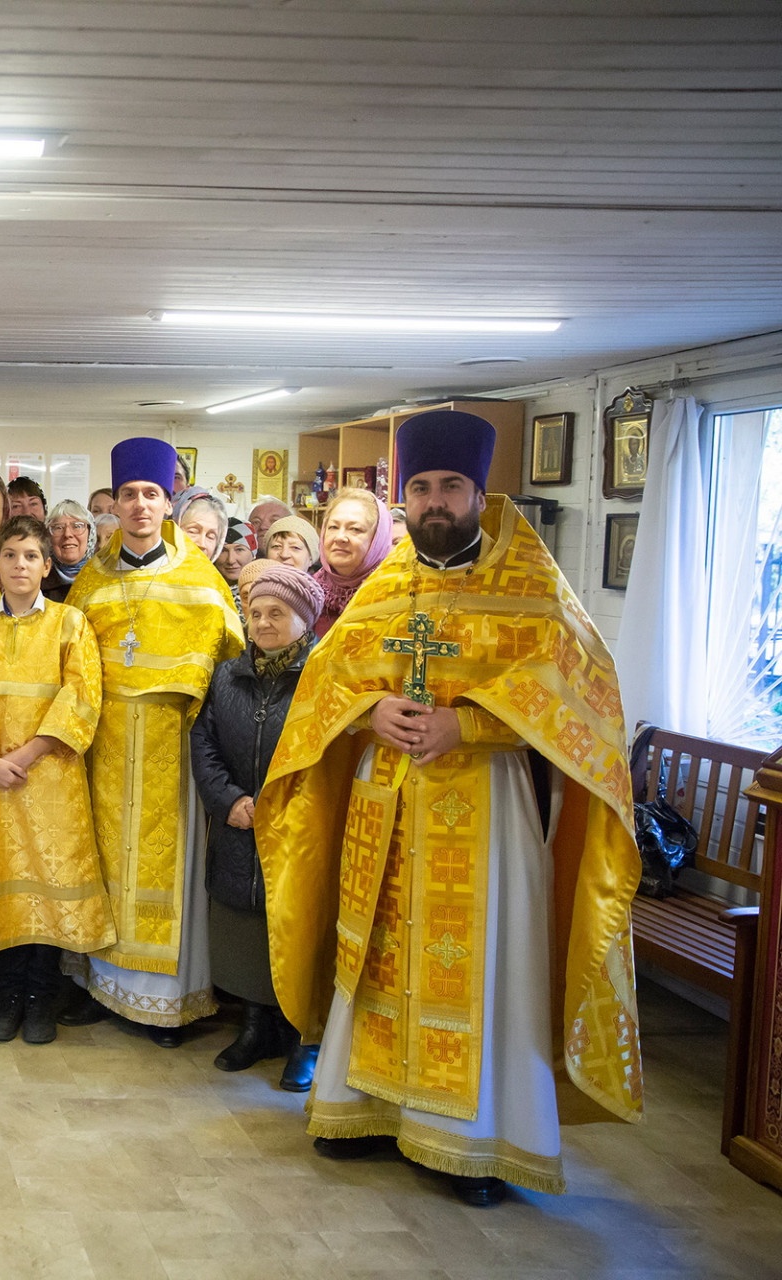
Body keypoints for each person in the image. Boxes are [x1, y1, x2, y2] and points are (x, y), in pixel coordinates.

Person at [257, 409, 642, 1207]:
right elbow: (330, 677)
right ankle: (365, 1110)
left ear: (479, 490)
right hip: (385, 806)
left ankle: (478, 1139)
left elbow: (585, 697)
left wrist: (468, 721)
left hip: (486, 808)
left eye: (451, 488)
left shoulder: (531, 585)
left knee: (486, 963)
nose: (435, 502)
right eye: (422, 488)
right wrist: (370, 714)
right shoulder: (391, 583)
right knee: (378, 953)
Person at [63, 437, 242, 1041]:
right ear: (112, 504)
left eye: (152, 495)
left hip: (174, 747)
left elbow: (228, 671)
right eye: (129, 495)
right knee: (105, 863)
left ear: (169, 503)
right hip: (106, 744)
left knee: (174, 871)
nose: (139, 505)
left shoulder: (203, 581)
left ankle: (169, 1000)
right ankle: (98, 984)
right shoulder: (89, 580)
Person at [0, 516, 109, 1045]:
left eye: (31, 556)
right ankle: (7, 994)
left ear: (47, 565)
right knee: (6, 888)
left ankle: (40, 996)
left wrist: (30, 752)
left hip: (51, 779)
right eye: (10, 555)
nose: (19, 565)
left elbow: (82, 694)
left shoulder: (69, 624)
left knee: (48, 886)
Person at [189, 561, 321, 1089]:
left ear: (305, 620)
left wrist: (285, 809)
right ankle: (254, 1025)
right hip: (240, 822)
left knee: (294, 926)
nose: (263, 623)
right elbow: (205, 744)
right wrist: (230, 801)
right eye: (256, 612)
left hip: (297, 828)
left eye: (277, 613)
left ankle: (301, 1037)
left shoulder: (321, 676)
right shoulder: (228, 674)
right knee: (244, 924)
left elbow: (327, 755)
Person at [313, 486, 392, 636]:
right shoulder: (308, 592)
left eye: (355, 529)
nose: (340, 537)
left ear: (378, 539)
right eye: (333, 527)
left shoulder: (396, 595)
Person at [41, 500, 98, 602]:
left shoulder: (104, 579)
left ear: (90, 534)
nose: (67, 534)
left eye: (77, 526)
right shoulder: (37, 583)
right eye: (58, 528)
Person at [177, 493, 228, 563]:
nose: (202, 544)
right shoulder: (158, 571)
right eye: (193, 531)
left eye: (211, 537)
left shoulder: (213, 574)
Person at [217, 519, 256, 606]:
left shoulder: (265, 592)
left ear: (254, 554)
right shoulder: (205, 590)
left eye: (239, 549)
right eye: (223, 550)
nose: (231, 560)